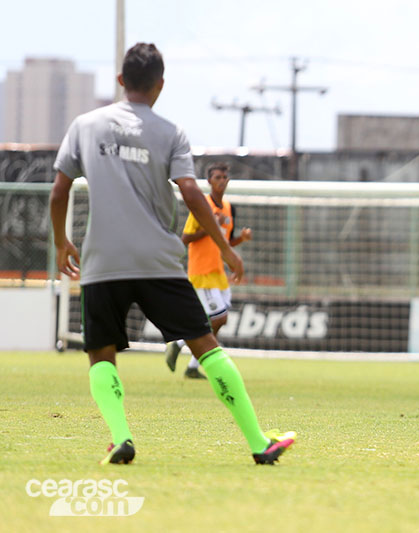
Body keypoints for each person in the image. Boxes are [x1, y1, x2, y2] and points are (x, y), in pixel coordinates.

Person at [49, 43, 295, 465]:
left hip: (101, 262)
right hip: (157, 260)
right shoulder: (169, 132)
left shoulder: (84, 125)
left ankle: (121, 437)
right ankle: (258, 442)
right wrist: (227, 249)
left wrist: (60, 241)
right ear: (161, 85)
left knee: (100, 353)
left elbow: (59, 191)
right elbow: (190, 192)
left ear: (121, 80)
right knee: (206, 345)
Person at [164, 162, 252, 379]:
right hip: (201, 271)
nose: (222, 181)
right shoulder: (202, 207)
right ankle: (179, 342)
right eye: (217, 177)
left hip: (219, 272)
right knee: (218, 318)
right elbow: (185, 238)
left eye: (224, 177)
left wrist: (241, 238)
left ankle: (193, 366)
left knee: (216, 320)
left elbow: (226, 242)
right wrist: (208, 226)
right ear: (209, 182)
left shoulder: (229, 208)